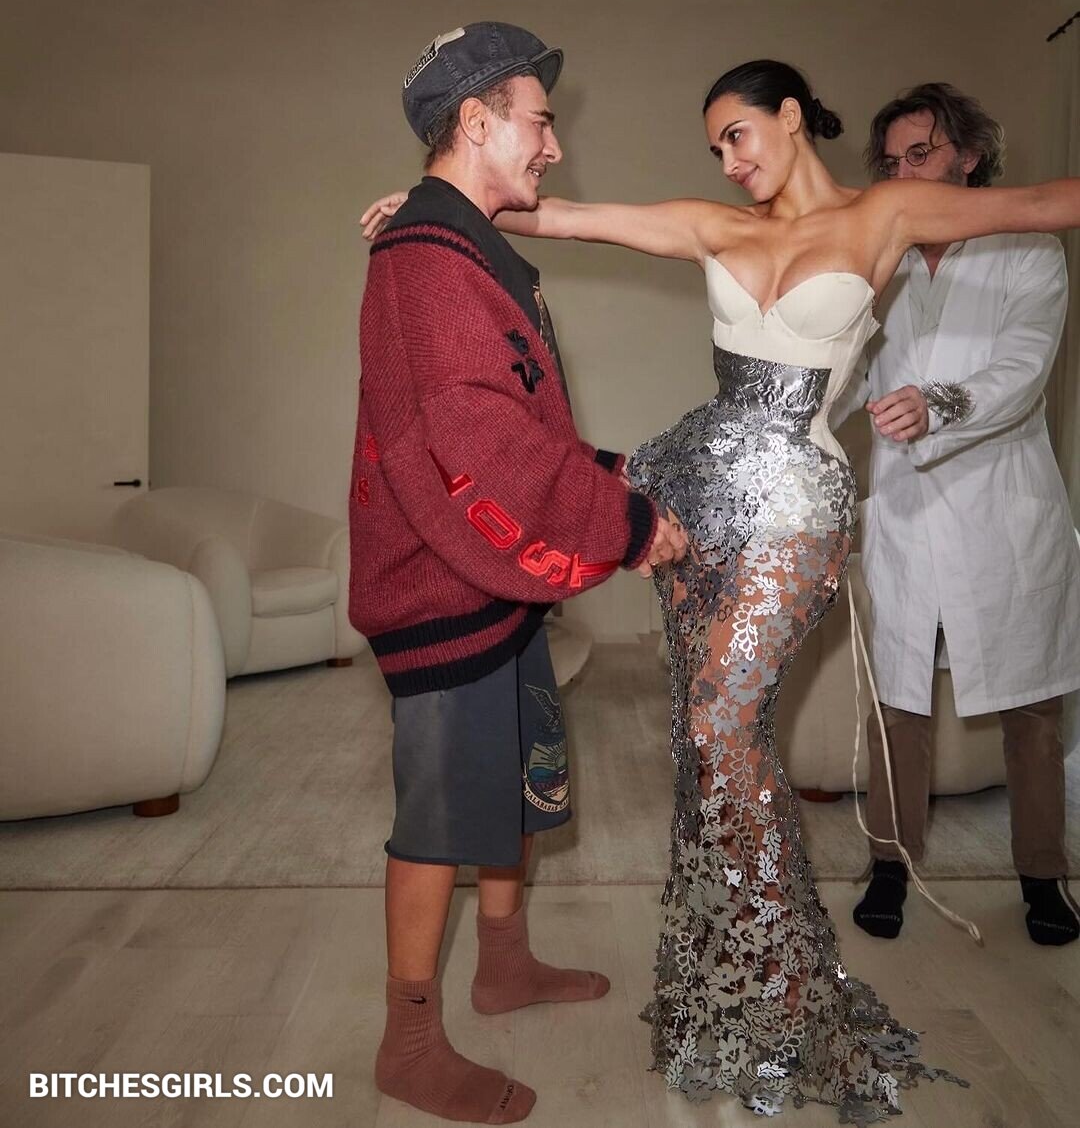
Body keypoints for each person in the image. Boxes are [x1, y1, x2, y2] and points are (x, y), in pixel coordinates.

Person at [361, 57, 1080, 1122]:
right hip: (708, 495)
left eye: (738, 136)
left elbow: (1049, 202)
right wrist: (434, 210)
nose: (730, 163)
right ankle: (729, 978)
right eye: (716, 149)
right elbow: (569, 217)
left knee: (722, 725)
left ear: (790, 117)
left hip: (799, 511)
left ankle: (780, 980)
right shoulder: (714, 225)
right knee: (703, 740)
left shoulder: (886, 211)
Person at [350, 20, 687, 1125]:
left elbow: (526, 427)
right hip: (441, 586)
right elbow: (484, 447)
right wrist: (628, 523)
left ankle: (503, 964)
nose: (553, 144)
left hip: (491, 581)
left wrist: (615, 477)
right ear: (476, 121)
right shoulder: (428, 264)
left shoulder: (461, 250)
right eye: (539, 122)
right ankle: (407, 1040)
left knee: (520, 782)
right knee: (440, 816)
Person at [829, 83, 1080, 947]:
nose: (904, 174)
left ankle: (1043, 875)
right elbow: (848, 369)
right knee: (897, 698)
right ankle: (890, 863)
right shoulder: (884, 259)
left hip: (1002, 506)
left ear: (969, 158)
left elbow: (1023, 369)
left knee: (1032, 707)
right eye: (892, 161)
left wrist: (937, 402)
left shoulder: (1029, 249)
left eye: (922, 154)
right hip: (905, 507)